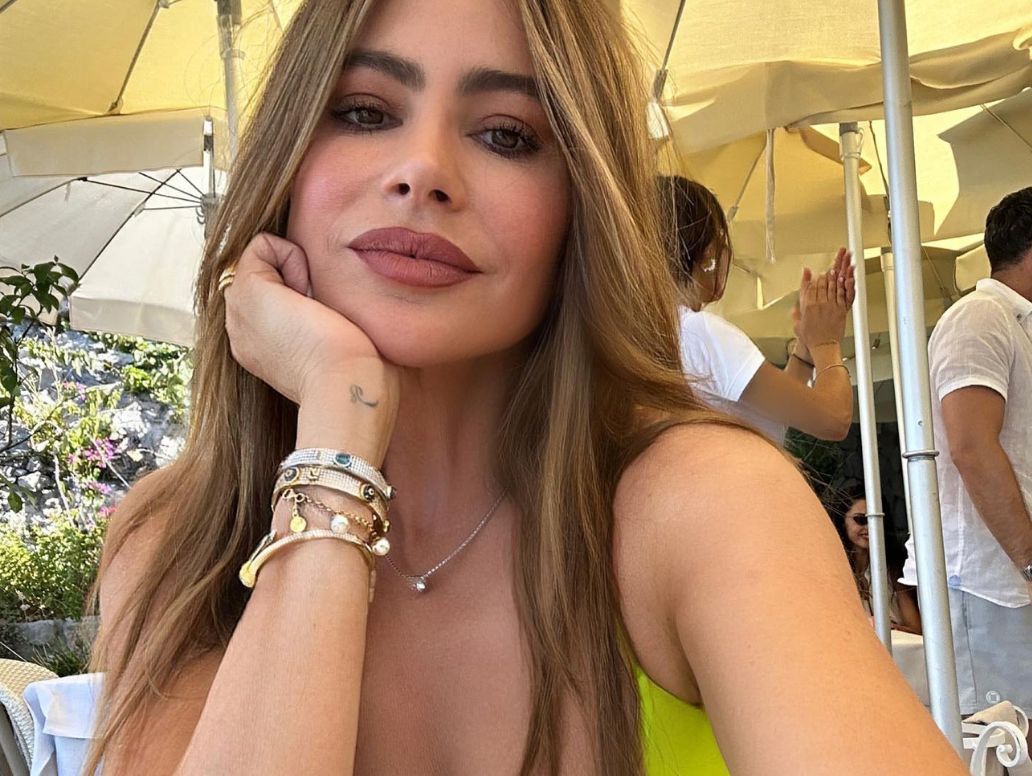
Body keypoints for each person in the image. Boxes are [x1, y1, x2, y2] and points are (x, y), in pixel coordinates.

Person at [73, 1, 967, 774]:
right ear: (286, 163)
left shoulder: (701, 506)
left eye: (506, 134)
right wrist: (338, 427)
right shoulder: (171, 544)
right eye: (364, 111)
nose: (422, 171)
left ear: (581, 208)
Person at [926, 186, 1032, 719]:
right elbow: (970, 446)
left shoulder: (1012, 325)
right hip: (991, 579)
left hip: (1008, 578)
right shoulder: (981, 316)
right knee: (1002, 742)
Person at [660, 176, 856, 445]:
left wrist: (805, 348)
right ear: (708, 255)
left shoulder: (662, 337)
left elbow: (773, 417)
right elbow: (833, 419)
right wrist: (826, 342)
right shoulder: (700, 333)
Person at [827, 484, 922, 634]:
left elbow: (916, 628)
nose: (869, 527)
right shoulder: (833, 571)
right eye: (860, 519)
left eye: (876, 520)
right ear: (842, 522)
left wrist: (890, 627)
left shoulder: (893, 569)